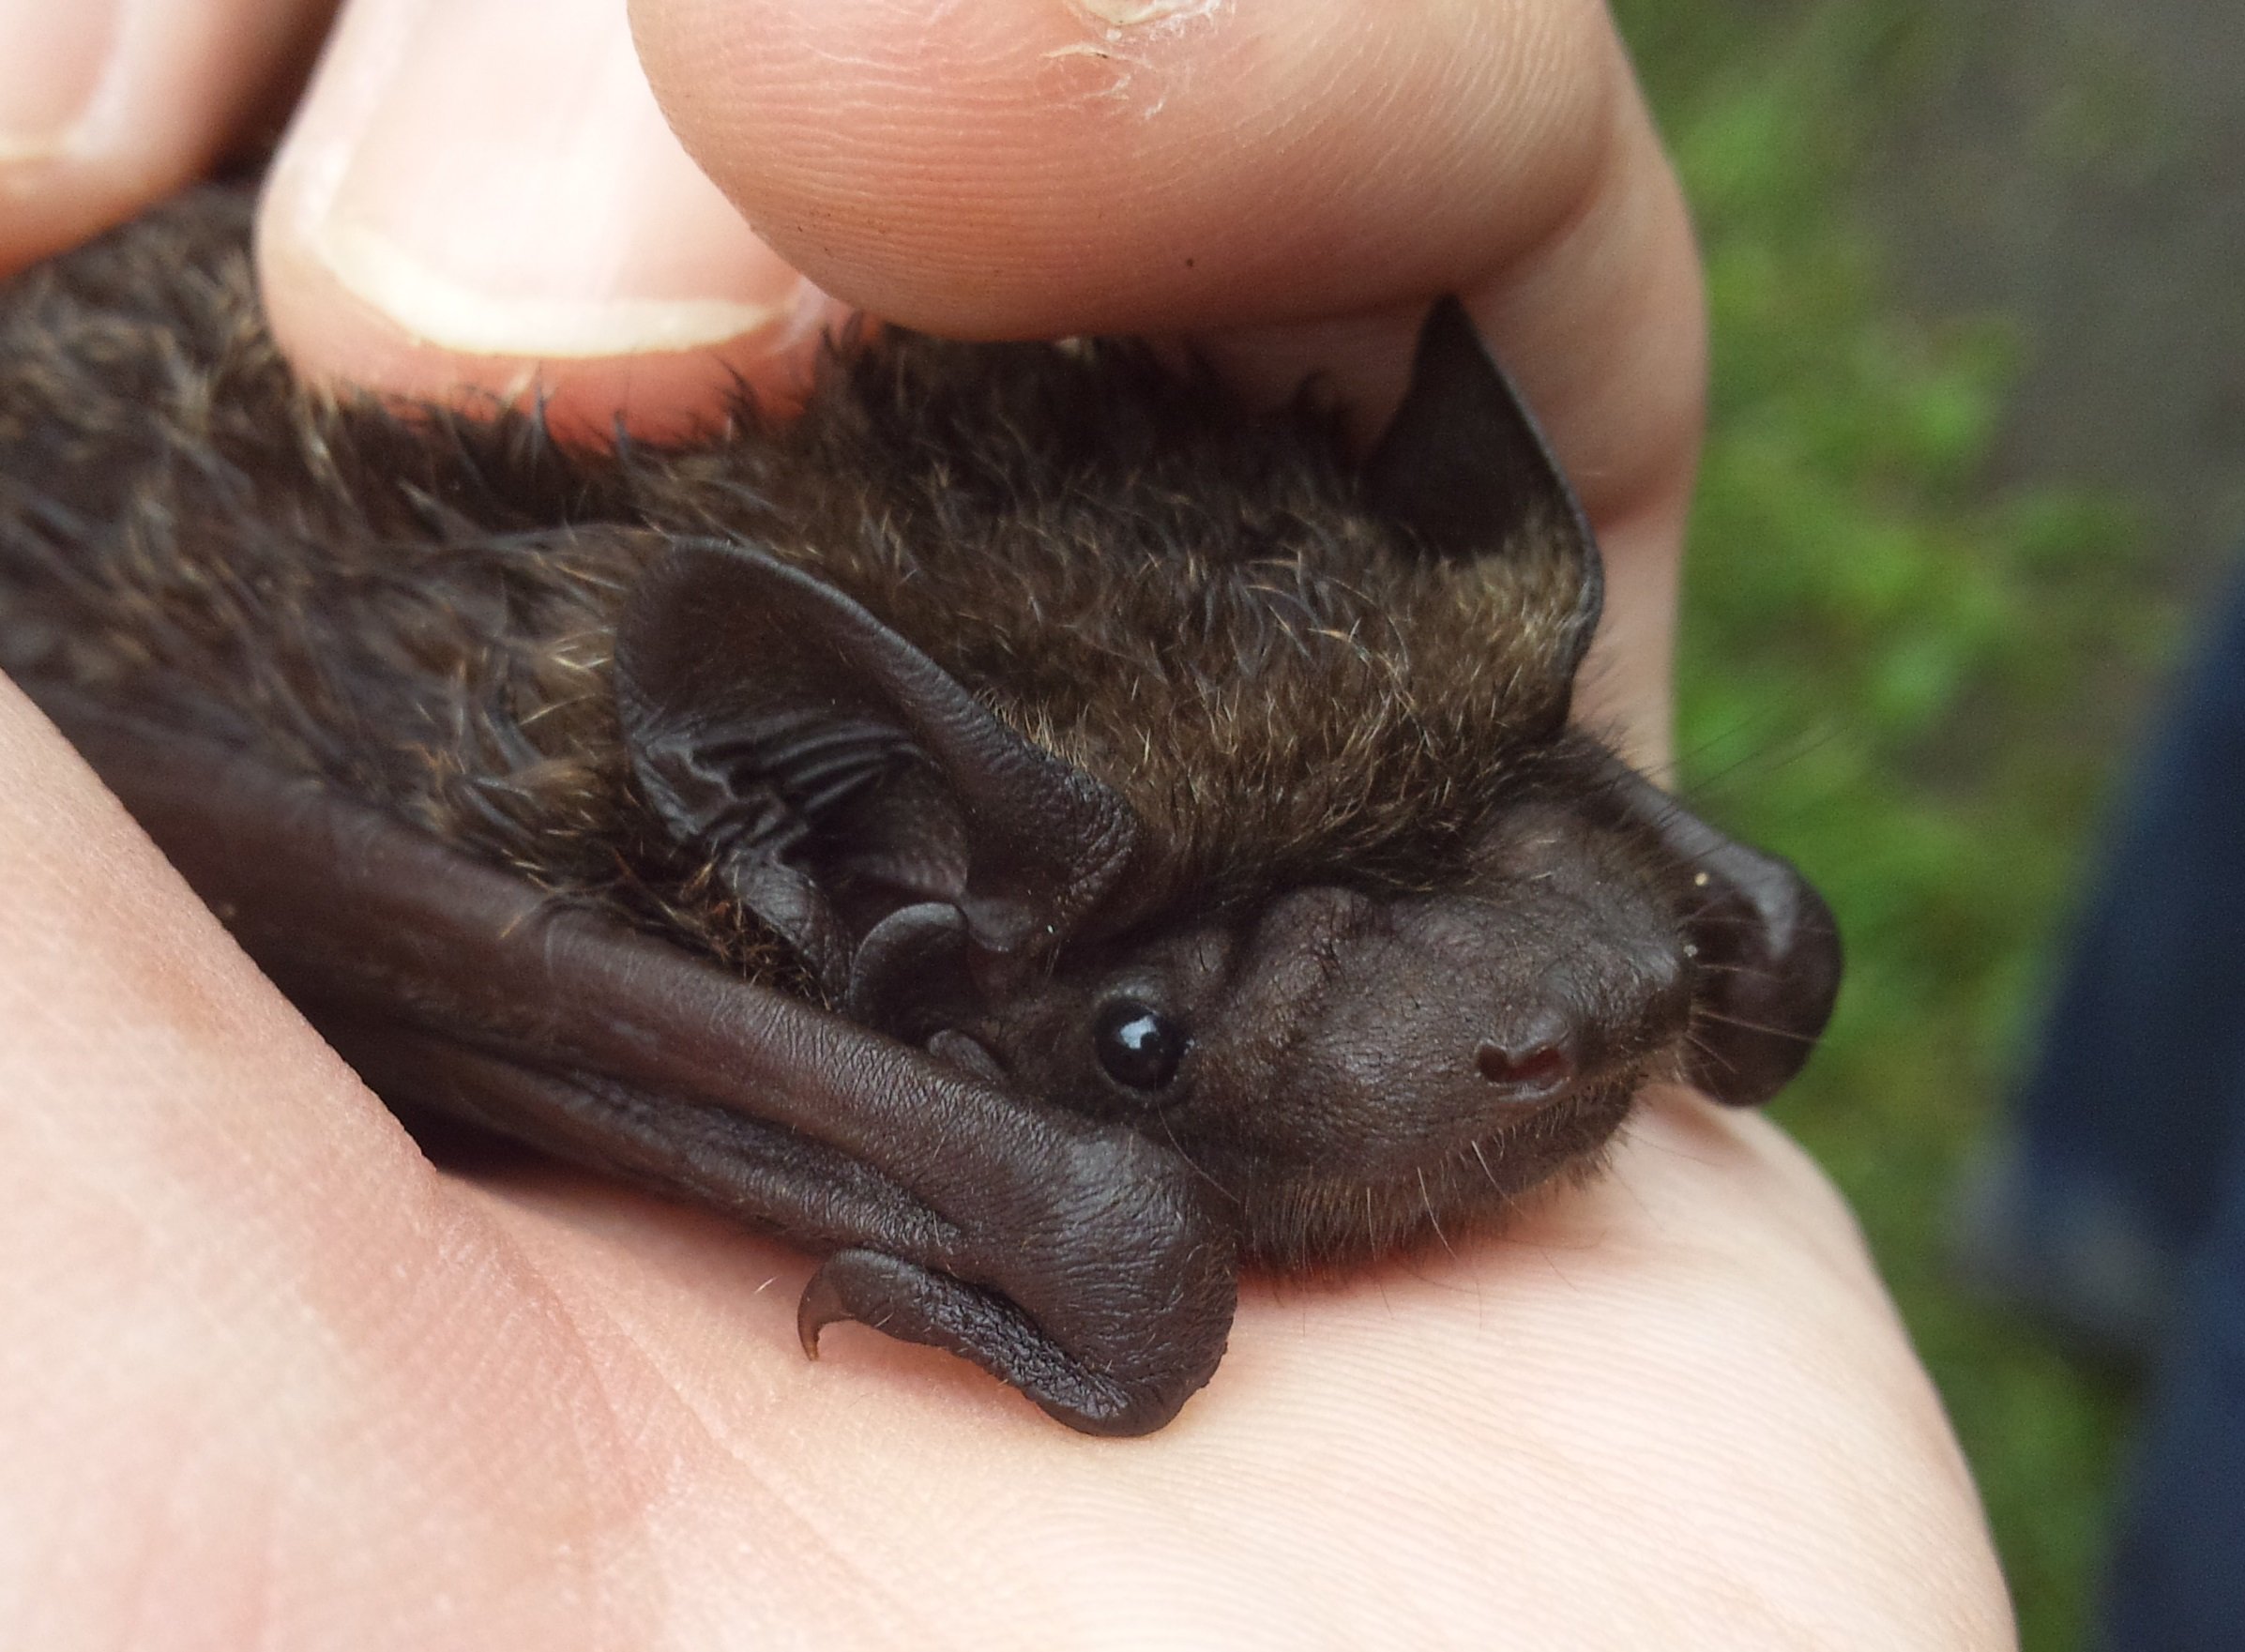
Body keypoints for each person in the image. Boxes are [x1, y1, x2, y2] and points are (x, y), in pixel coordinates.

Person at [0, 1, 2013, 1643]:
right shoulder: (413, 799)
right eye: (1150, 1033)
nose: (1539, 1021)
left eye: (1522, 825)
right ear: (842, 898)